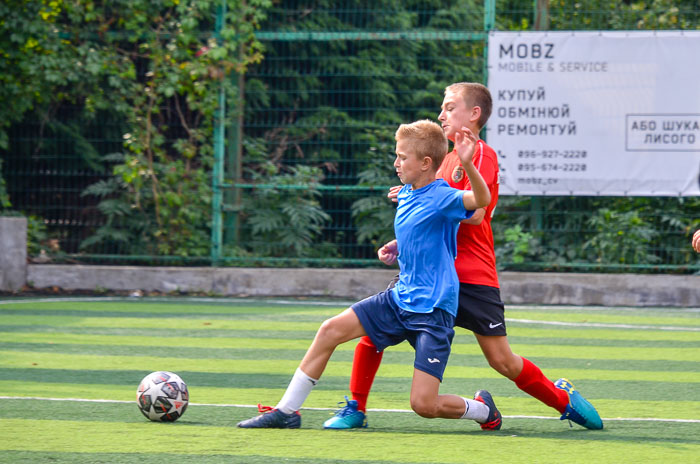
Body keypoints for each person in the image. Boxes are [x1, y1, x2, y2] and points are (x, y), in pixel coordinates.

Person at [323, 82, 603, 431]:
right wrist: (401, 240)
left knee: (502, 361)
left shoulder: (479, 155)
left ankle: (564, 400)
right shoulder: (440, 158)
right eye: (442, 107)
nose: (442, 114)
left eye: (450, 106)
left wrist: (439, 199)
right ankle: (356, 408)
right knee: (372, 328)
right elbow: (430, 218)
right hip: (431, 276)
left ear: (474, 114)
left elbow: (474, 213)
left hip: (471, 275)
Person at [237, 119, 500, 430]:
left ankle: (483, 410)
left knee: (423, 405)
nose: (396, 162)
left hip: (432, 311)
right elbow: (421, 230)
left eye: (403, 157)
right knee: (330, 330)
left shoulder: (443, 196)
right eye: (397, 155)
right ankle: (287, 411)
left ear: (426, 163)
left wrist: (468, 164)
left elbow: (481, 201)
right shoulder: (406, 193)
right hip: (400, 299)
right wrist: (398, 247)